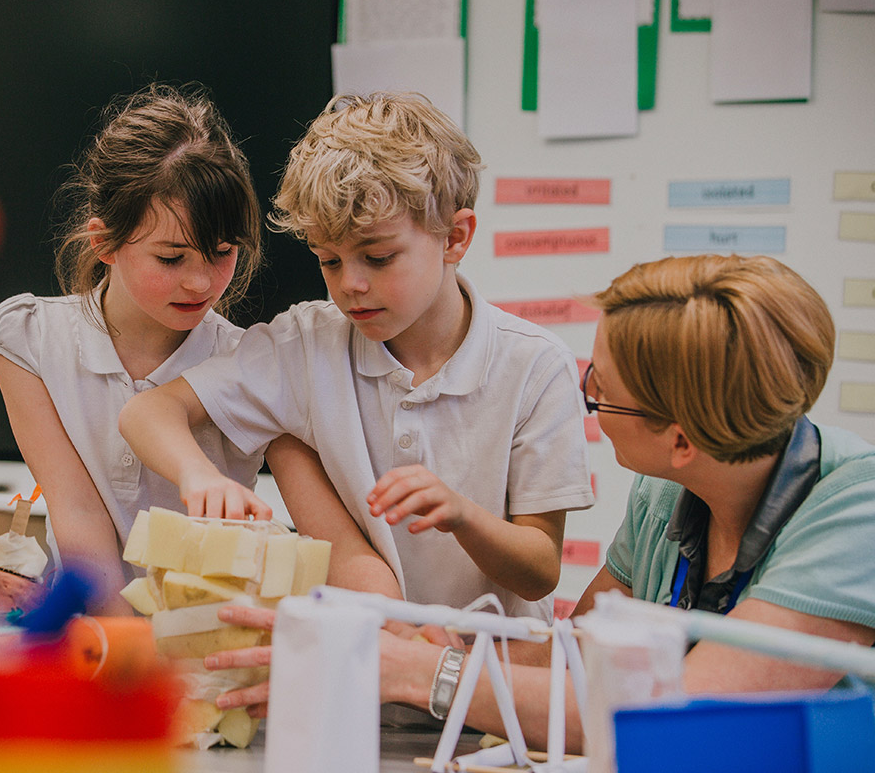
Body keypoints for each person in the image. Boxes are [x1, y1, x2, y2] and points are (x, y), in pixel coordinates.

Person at [360, 253, 875, 750]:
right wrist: (437, 650)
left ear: (681, 442)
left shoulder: (856, 519)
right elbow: (576, 656)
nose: (591, 406)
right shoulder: (667, 491)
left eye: (599, 390)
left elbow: (675, 716)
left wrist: (425, 675)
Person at [119, 92, 594, 616]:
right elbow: (148, 411)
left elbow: (541, 571)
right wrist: (199, 476)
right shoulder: (306, 344)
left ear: (455, 238)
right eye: (328, 261)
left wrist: (462, 515)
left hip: (486, 680)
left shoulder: (535, 366)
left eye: (378, 257)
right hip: (359, 676)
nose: (351, 286)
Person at [0, 83, 310, 614]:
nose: (201, 283)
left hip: (206, 636)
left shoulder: (250, 361)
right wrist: (125, 649)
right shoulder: (28, 338)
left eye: (223, 252)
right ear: (104, 242)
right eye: (171, 258)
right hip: (95, 632)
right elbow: (78, 510)